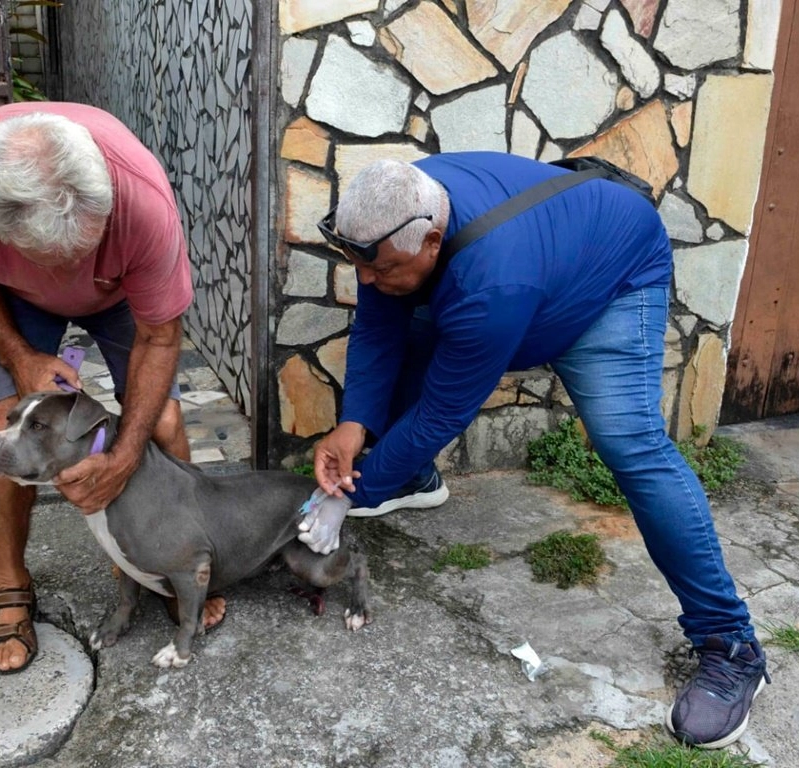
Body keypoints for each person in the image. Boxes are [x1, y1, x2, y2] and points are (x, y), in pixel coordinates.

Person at [300, 153, 769, 749]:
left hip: (613, 276)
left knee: (630, 444)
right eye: (358, 264)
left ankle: (730, 644)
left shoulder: (491, 283)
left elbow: (444, 410)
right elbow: (377, 324)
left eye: (381, 267)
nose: (366, 280)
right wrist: (354, 426)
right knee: (409, 315)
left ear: (434, 240)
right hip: (537, 269)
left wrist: (350, 493)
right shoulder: (397, 207)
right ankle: (412, 479)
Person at [0, 102, 225, 674]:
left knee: (163, 423)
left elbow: (160, 338)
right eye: (53, 259)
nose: (69, 273)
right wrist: (20, 355)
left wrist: (125, 457)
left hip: (122, 296)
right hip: (12, 303)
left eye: (83, 251)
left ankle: (181, 557)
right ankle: (10, 584)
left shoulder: (141, 202)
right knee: (4, 423)